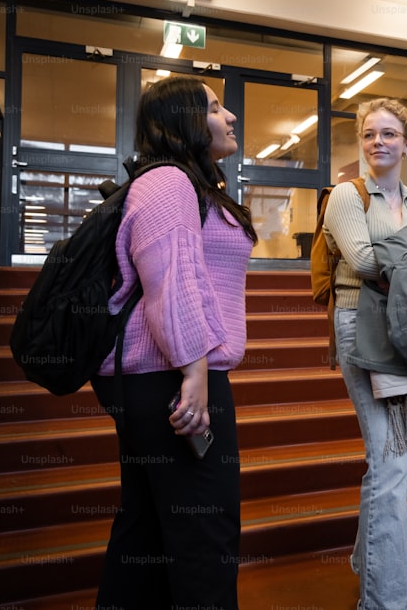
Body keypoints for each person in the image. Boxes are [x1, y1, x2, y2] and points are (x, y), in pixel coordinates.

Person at [90, 75, 257, 610]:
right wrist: (195, 372)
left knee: (146, 535)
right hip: (175, 378)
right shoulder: (168, 183)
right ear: (184, 120)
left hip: (160, 379)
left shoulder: (188, 183)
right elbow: (173, 281)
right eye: (213, 107)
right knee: (204, 541)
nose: (230, 116)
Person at [322, 98, 407, 610]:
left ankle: (372, 564)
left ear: (406, 142)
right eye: (368, 134)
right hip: (363, 326)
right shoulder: (346, 196)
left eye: (387, 134)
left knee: (395, 456)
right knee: (390, 462)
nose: (377, 142)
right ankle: (383, 601)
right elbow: (359, 260)